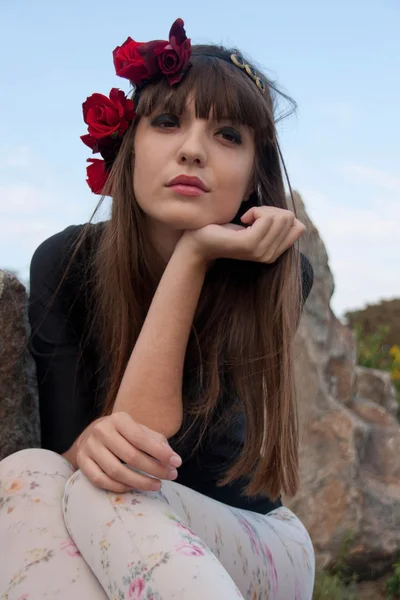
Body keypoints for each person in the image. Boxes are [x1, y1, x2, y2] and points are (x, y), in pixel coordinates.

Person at [0, 18, 315, 600]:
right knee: (23, 474)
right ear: (129, 146)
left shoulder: (278, 273)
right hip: (110, 513)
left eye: (228, 135)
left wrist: (195, 253)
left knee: (107, 493)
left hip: (253, 540)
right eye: (168, 122)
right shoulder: (66, 261)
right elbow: (76, 456)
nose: (192, 149)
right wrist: (88, 446)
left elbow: (148, 453)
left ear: (253, 174)